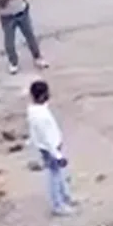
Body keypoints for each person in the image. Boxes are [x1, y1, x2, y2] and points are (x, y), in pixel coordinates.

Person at [27, 80, 77, 217]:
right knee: (55, 176)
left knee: (60, 174)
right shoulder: (41, 116)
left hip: (48, 148)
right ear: (43, 96)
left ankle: (66, 196)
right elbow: (48, 139)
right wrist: (58, 156)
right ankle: (58, 205)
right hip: (51, 150)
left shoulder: (34, 110)